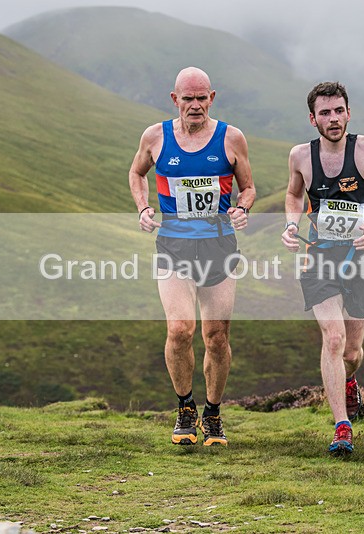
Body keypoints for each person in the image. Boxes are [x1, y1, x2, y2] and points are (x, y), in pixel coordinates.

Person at [129, 67, 256, 446]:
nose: (196, 105)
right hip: (174, 247)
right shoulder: (155, 137)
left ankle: (213, 413)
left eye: (202, 98)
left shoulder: (231, 138)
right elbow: (136, 173)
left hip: (219, 247)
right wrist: (142, 207)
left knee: (216, 337)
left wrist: (242, 208)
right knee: (179, 330)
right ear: (175, 100)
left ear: (212, 98)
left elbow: (248, 188)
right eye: (188, 99)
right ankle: (185, 407)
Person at [281, 82, 364, 455]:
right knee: (332, 339)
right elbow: (293, 193)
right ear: (312, 118)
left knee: (351, 352)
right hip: (318, 257)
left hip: (360, 259)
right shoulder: (301, 155)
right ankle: (342, 427)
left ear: (348, 112)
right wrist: (291, 225)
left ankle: (349, 382)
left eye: (338, 111)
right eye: (325, 113)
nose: (332, 119)